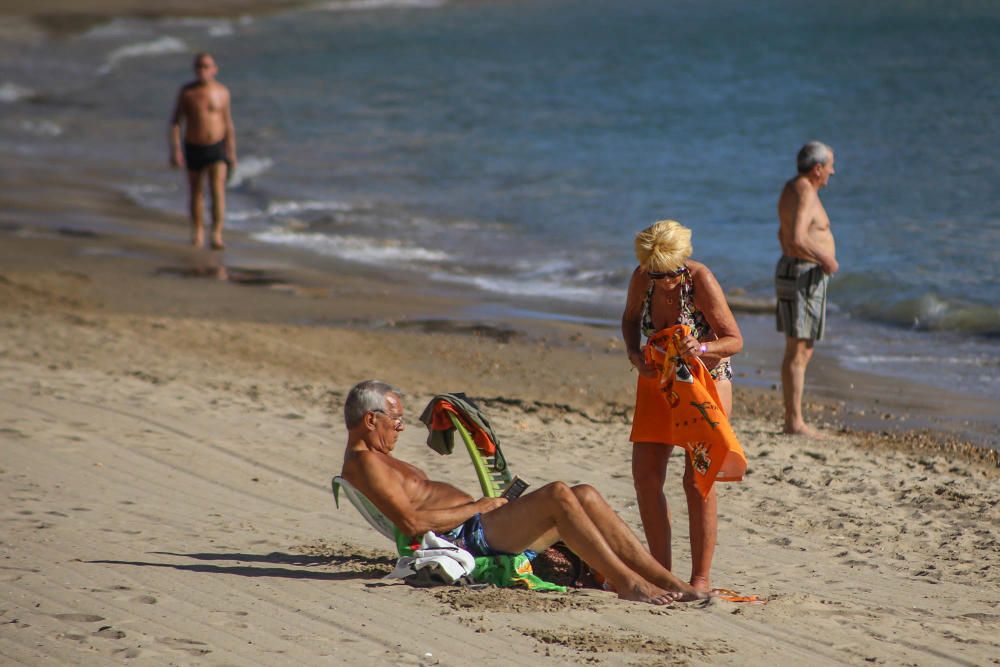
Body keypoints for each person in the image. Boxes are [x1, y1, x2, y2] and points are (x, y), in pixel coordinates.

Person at [339, 380, 707, 605]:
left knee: (586, 494)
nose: (401, 428)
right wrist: (479, 506)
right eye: (396, 420)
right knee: (559, 494)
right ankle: (628, 584)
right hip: (465, 536)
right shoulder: (367, 463)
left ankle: (669, 581)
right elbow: (412, 522)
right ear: (371, 420)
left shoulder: (377, 459)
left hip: (479, 523)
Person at [621, 220, 743, 592]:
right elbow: (629, 321)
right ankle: (662, 573)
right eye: (656, 275)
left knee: (697, 480)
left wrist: (702, 347)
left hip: (704, 382)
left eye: (670, 274)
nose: (664, 282)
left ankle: (700, 579)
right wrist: (632, 353)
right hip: (659, 378)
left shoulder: (700, 280)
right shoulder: (644, 276)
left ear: (683, 262)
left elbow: (735, 339)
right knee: (645, 476)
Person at [775, 141, 838, 437]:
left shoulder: (792, 188)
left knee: (801, 349)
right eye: (829, 167)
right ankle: (795, 421)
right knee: (798, 349)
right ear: (817, 169)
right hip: (802, 274)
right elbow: (797, 236)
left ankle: (793, 419)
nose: (832, 172)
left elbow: (783, 234)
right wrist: (825, 258)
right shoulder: (805, 190)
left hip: (796, 270)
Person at [168, 52, 236, 250]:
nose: (203, 70)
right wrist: (175, 149)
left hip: (217, 147)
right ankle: (197, 231)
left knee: (218, 190)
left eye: (207, 66)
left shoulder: (223, 92)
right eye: (199, 66)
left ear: (215, 69)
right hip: (193, 146)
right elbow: (176, 121)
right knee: (196, 192)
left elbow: (228, 123)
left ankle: (216, 233)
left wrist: (231, 151)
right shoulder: (187, 92)